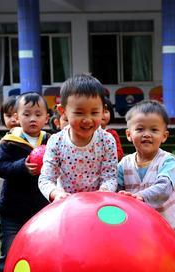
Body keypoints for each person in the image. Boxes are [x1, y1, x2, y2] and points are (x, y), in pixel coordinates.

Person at [0, 92, 51, 272]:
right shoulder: (10, 141)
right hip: (13, 207)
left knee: (40, 245)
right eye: (26, 114)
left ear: (46, 118)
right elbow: (0, 166)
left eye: (38, 114)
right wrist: (22, 166)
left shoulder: (50, 140)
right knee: (9, 245)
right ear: (17, 117)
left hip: (40, 207)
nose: (33, 118)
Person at [38, 74, 119, 202]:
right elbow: (46, 179)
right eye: (79, 113)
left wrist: (103, 192)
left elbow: (110, 177)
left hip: (98, 205)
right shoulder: (56, 142)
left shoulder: (107, 140)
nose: (87, 120)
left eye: (94, 112)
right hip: (67, 205)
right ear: (63, 112)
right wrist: (56, 193)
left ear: (103, 111)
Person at [118, 100, 175, 247]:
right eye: (140, 129)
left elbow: (164, 187)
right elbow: (115, 190)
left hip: (170, 229)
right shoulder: (124, 164)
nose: (147, 135)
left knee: (171, 267)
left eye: (154, 130)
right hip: (139, 229)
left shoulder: (167, 161)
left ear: (164, 136)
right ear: (129, 134)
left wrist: (141, 196)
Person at [101, 95, 124, 161]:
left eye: (106, 112)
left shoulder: (112, 133)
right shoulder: (88, 133)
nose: (103, 114)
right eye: (99, 111)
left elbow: (119, 154)